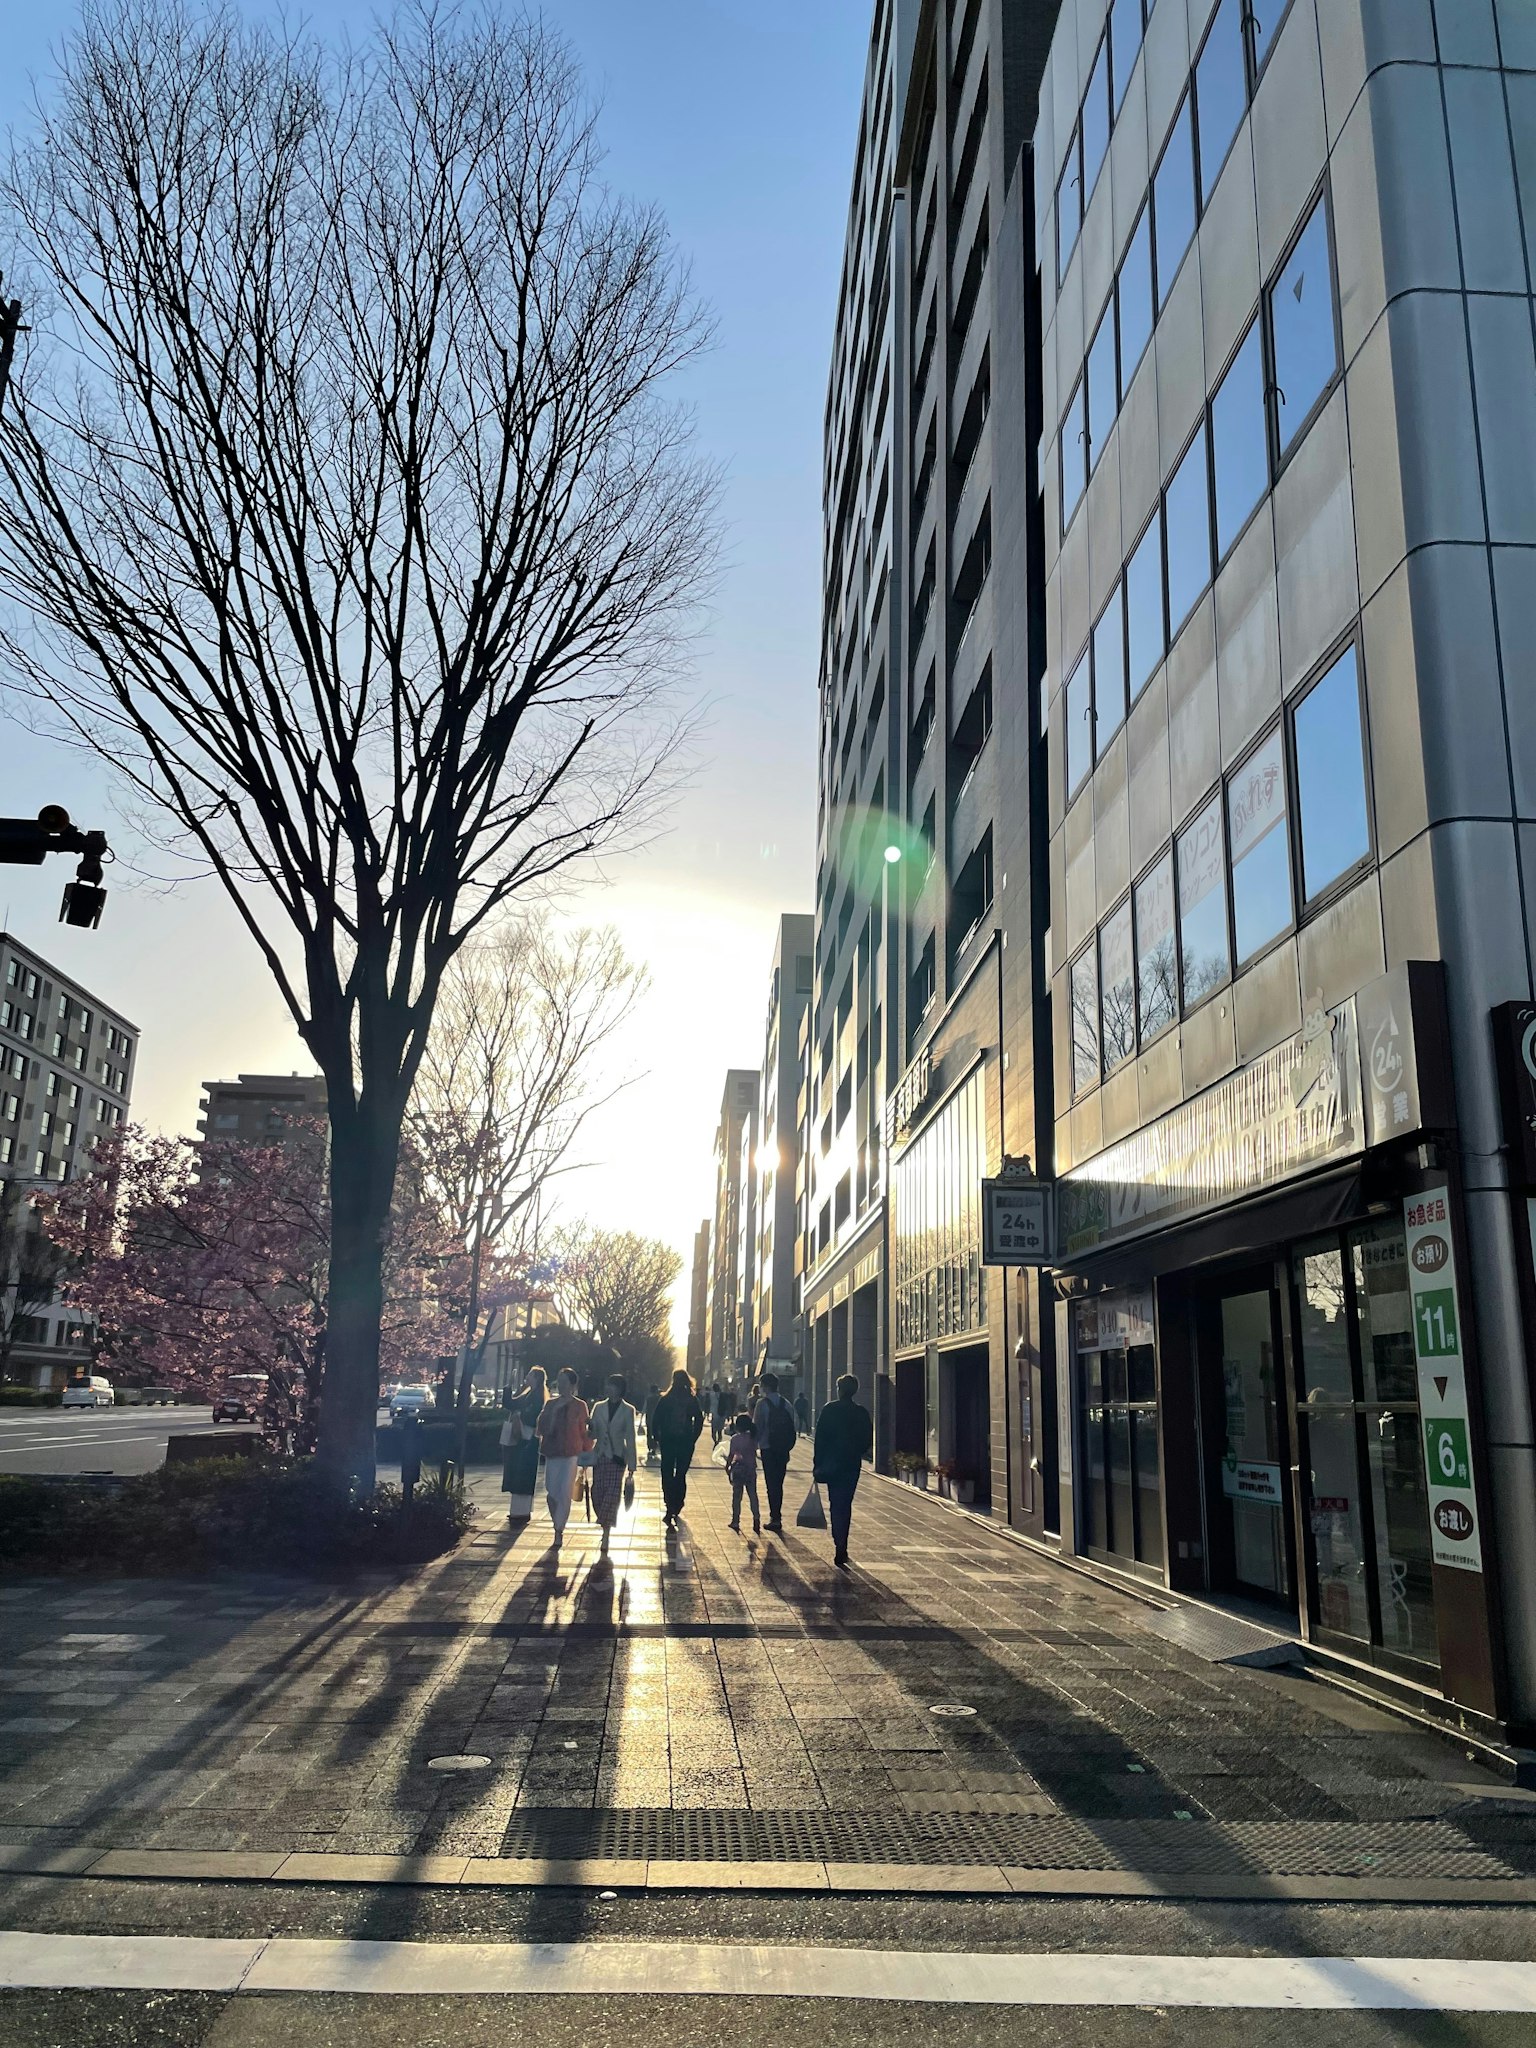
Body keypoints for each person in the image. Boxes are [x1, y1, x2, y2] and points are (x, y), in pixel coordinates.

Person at [813, 1373, 873, 1569]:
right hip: (851, 1463)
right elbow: (867, 1440)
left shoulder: (830, 1409)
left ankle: (838, 1540)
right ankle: (842, 1544)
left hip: (832, 1462)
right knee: (845, 1503)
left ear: (839, 1390)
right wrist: (856, 1450)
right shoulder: (861, 1412)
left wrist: (818, 1462)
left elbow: (820, 1438)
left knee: (835, 1503)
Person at [536, 1367, 592, 1545]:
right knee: (551, 1492)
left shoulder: (580, 1406)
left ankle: (559, 1529)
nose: (561, 1386)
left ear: (573, 1385)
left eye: (564, 1382)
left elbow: (585, 1432)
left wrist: (587, 1454)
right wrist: (553, 1414)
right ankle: (557, 1522)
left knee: (565, 1492)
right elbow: (541, 1428)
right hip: (553, 1453)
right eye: (559, 1382)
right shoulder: (551, 1404)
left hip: (571, 1454)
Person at [587, 1372, 638, 1556]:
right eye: (608, 1385)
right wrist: (590, 1427)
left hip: (617, 1458)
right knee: (597, 1492)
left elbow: (630, 1437)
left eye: (613, 1385)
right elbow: (592, 1435)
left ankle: (606, 1532)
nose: (609, 1388)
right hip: (600, 1455)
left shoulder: (628, 1410)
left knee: (612, 1494)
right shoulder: (598, 1407)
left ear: (620, 1389)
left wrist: (632, 1465)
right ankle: (604, 1522)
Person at [652, 1367, 706, 1525]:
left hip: (668, 1440)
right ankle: (678, 1503)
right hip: (685, 1441)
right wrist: (693, 1437)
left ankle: (669, 1504)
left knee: (667, 1473)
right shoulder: (692, 1399)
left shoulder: (666, 1399)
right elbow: (699, 1419)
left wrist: (657, 1437)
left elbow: (656, 1419)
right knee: (681, 1474)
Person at [499, 1365, 547, 1523]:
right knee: (519, 1474)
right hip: (523, 1439)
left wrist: (519, 1416)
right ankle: (519, 1511)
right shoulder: (529, 1394)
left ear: (537, 1378)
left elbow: (532, 1416)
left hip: (528, 1439)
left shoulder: (537, 1396)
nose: (527, 1377)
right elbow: (510, 1404)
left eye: (530, 1375)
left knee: (523, 1475)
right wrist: (508, 1387)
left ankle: (521, 1512)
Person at [752, 1371, 798, 1534]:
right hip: (783, 1448)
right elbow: (793, 1426)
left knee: (771, 1483)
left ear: (765, 1386)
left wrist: (753, 1446)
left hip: (768, 1448)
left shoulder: (762, 1404)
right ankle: (776, 1516)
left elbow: (757, 1427)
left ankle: (775, 1517)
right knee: (779, 1482)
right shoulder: (787, 1404)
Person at [725, 1410, 761, 1535]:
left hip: (739, 1470)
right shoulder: (753, 1437)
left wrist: (727, 1466)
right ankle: (756, 1518)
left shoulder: (735, 1439)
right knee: (753, 1495)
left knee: (737, 1497)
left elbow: (731, 1455)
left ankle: (735, 1520)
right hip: (751, 1470)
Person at [643, 1383, 661, 1465]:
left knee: (649, 1434)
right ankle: (655, 1446)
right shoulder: (659, 1399)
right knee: (657, 1433)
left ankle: (651, 1447)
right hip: (658, 1419)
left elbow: (644, 1409)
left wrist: (641, 1418)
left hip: (649, 1419)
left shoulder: (648, 1399)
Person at [708, 1381, 725, 1445]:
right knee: (719, 1431)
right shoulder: (723, 1395)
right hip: (721, 1415)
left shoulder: (711, 1395)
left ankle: (715, 1441)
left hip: (714, 1415)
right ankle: (718, 1441)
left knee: (713, 1431)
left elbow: (709, 1403)